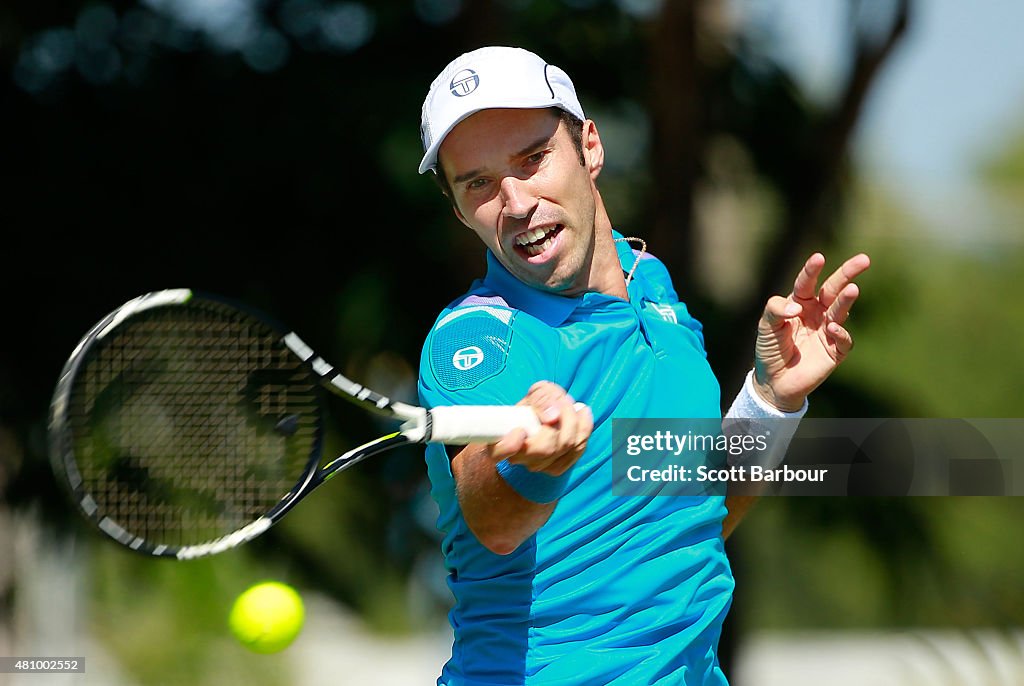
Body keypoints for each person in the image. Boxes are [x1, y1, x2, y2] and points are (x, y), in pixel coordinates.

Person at [415, 46, 869, 686]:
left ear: (590, 148)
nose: (515, 202)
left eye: (532, 159)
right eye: (479, 183)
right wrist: (529, 463)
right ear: (460, 210)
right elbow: (493, 520)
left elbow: (698, 507)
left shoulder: (653, 288)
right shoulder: (482, 339)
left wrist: (770, 402)